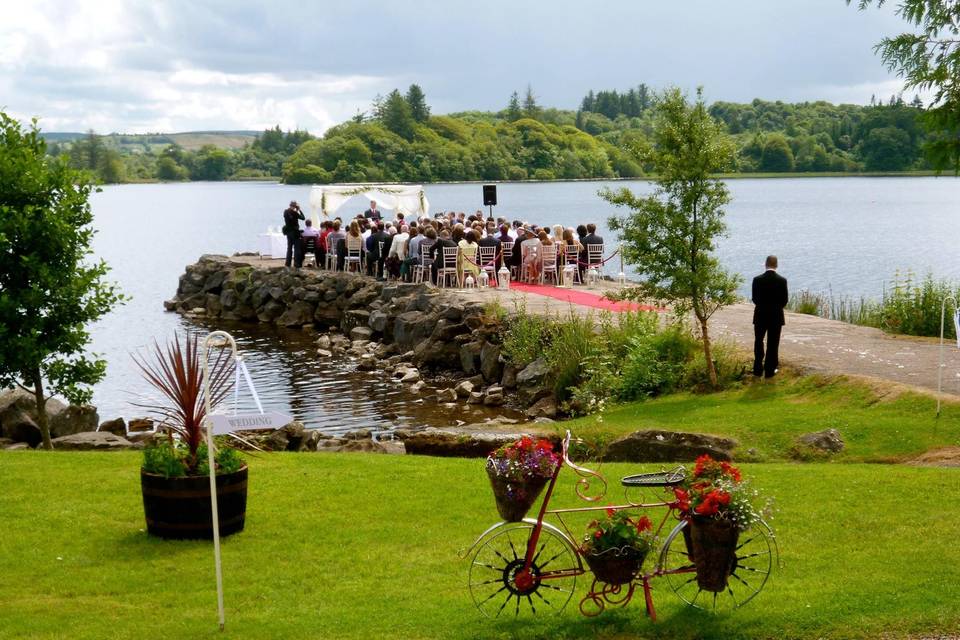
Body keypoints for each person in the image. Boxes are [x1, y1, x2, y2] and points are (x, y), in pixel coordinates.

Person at [752, 255, 789, 378]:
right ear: (776, 265)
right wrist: (776, 308)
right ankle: (770, 370)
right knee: (773, 343)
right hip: (776, 316)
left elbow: (755, 299)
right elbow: (785, 300)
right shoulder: (782, 281)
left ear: (765, 264)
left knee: (759, 341)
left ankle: (757, 368)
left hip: (760, 315)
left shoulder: (757, 280)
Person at [282, 200, 305, 267]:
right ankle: (296, 263)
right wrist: (299, 210)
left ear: (290, 205)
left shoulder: (285, 212)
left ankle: (287, 263)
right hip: (295, 232)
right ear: (295, 206)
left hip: (288, 232)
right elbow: (303, 218)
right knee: (296, 248)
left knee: (289, 248)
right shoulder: (295, 213)